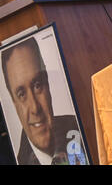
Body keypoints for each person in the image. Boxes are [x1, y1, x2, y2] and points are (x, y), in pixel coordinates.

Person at [1, 37, 87, 165]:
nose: (35, 108)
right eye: (21, 94)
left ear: (47, 81)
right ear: (12, 100)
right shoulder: (12, 159)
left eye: (37, 85)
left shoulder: (82, 127)